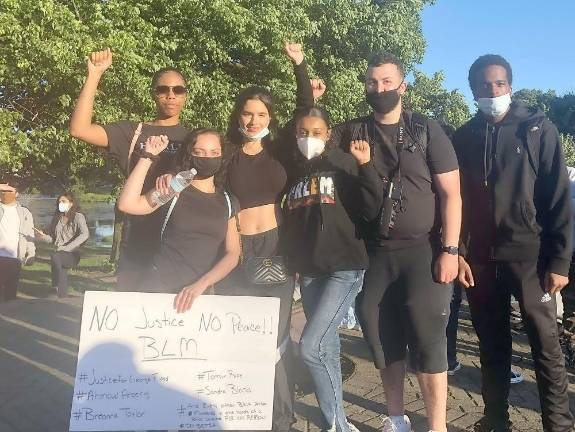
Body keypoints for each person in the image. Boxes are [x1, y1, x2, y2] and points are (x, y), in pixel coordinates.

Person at [330, 52, 461, 432]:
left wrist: (451, 250)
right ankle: (395, 419)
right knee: (383, 340)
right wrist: (312, 97)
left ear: (403, 86)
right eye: (372, 82)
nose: (379, 89)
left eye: (387, 82)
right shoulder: (352, 132)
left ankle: (437, 427)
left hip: (423, 252)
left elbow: (452, 194)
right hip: (372, 253)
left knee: (428, 340)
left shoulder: (426, 129)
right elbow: (310, 140)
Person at [454, 54, 574, 432]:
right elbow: (455, 200)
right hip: (480, 261)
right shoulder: (463, 137)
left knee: (546, 348)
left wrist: (560, 261)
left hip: (531, 259)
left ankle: (558, 424)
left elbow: (558, 198)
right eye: (484, 86)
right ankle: (495, 420)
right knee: (492, 346)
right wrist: (458, 252)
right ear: (472, 90)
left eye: (500, 84)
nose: (493, 92)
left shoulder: (538, 129)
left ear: (511, 85)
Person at [223, 42, 322, 432]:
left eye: (261, 113)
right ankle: (239, 408)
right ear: (238, 115)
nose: (252, 119)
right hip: (234, 249)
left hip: (274, 248)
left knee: (275, 336)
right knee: (239, 334)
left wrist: (299, 64)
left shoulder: (280, 149)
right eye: (247, 113)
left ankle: (281, 417)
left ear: (269, 118)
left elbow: (304, 109)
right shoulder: (226, 152)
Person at [282, 105, 382, 432]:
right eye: (302, 132)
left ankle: (339, 425)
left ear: (328, 135)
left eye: (315, 132)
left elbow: (371, 207)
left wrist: (366, 165)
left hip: (345, 268)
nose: (308, 138)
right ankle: (335, 420)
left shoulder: (343, 162)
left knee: (311, 346)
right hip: (310, 271)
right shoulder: (294, 170)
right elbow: (295, 222)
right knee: (327, 345)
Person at [69, 48, 189, 291]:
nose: (170, 95)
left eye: (178, 90)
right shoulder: (132, 133)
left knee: (174, 318)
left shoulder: (195, 140)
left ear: (186, 95)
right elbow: (79, 130)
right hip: (137, 238)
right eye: (162, 89)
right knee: (134, 315)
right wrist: (94, 75)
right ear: (153, 95)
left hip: (180, 237)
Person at [117, 129, 240, 312]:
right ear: (189, 155)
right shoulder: (174, 189)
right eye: (200, 152)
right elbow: (128, 204)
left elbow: (232, 254)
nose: (208, 157)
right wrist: (147, 156)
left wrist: (202, 284)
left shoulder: (229, 201)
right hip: (158, 288)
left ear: (222, 156)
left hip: (198, 296)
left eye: (214, 153)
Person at [35, 193, 89, 298]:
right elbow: (54, 240)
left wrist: (67, 248)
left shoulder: (78, 217)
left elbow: (85, 234)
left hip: (72, 254)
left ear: (71, 203)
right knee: (60, 265)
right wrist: (43, 237)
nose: (61, 203)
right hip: (59, 253)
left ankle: (55, 286)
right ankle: (61, 295)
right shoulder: (57, 218)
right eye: (59, 202)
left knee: (55, 256)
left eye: (64, 201)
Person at [0, 180, 35, 302]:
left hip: (15, 257)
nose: (6, 193)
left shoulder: (25, 213)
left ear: (17, 193)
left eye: (10, 190)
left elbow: (29, 234)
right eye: (4, 190)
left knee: (10, 294)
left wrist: (31, 253)